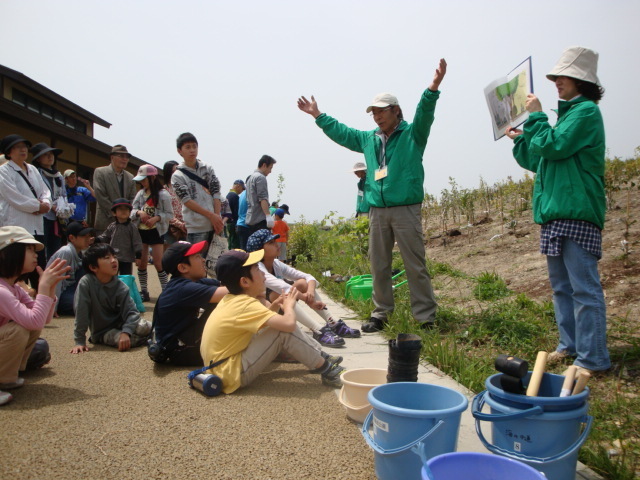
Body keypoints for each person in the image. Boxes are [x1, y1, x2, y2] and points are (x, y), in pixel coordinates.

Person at [297, 58, 447, 332]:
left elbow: (425, 112)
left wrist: (433, 88)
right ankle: (381, 313)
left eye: (381, 111)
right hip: (377, 210)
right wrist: (319, 116)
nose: (377, 116)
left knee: (415, 264)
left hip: (405, 208)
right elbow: (343, 134)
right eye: (373, 112)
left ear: (396, 111)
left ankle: (425, 317)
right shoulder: (369, 139)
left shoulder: (413, 134)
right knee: (378, 264)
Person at [506, 46, 611, 373]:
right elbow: (538, 158)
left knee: (583, 288)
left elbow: (554, 146)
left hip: (576, 211)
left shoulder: (585, 113)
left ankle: (592, 359)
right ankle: (570, 346)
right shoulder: (566, 118)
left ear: (582, 80)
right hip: (556, 213)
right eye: (556, 76)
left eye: (563, 76)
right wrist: (520, 139)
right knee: (563, 288)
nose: (556, 81)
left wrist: (536, 117)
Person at [200, 249, 346, 394]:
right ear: (244, 281)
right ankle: (328, 370)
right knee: (282, 330)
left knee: (276, 325)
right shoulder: (245, 304)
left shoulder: (233, 299)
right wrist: (289, 306)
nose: (263, 273)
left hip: (220, 368)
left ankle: (320, 356)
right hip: (230, 374)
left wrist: (276, 304)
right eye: (257, 269)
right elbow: (288, 325)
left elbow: (267, 322)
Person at [246, 228, 360, 347]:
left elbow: (308, 277)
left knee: (302, 283)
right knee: (284, 294)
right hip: (267, 311)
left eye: (275, 241)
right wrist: (307, 299)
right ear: (259, 250)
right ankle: (318, 329)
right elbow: (281, 286)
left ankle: (333, 322)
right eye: (271, 243)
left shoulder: (276, 264)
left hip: (279, 305)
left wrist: (309, 293)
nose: (277, 244)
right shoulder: (257, 267)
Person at [0, 226, 70, 405]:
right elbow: (35, 321)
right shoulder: (2, 291)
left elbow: (42, 320)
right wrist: (44, 288)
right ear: (8, 253)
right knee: (18, 329)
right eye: (29, 249)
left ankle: (6, 377)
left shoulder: (13, 287)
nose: (36, 254)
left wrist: (50, 287)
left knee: (27, 329)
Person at [151, 241, 228, 366]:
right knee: (225, 302)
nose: (203, 260)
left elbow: (226, 285)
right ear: (183, 268)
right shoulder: (181, 288)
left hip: (186, 338)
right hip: (179, 352)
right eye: (197, 257)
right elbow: (232, 291)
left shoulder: (193, 282)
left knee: (225, 299)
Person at [71, 243, 152, 354]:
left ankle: (153, 335)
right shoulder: (86, 283)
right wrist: (79, 341)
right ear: (93, 267)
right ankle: (151, 339)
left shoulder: (120, 286)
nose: (113, 260)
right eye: (107, 258)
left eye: (114, 256)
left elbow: (132, 313)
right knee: (126, 342)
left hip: (122, 323)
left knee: (145, 327)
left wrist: (126, 331)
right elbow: (81, 312)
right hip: (103, 331)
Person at [0, 134, 51, 290]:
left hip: (36, 224)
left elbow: (44, 191)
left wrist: (46, 204)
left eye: (24, 146)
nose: (23, 150)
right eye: (17, 147)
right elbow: (14, 197)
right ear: (9, 152)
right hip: (18, 225)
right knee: (18, 267)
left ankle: (40, 300)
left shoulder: (33, 169)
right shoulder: (4, 170)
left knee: (38, 263)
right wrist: (37, 206)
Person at [171, 132, 223, 246]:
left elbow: (216, 192)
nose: (192, 150)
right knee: (197, 261)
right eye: (188, 147)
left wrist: (217, 217)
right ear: (179, 151)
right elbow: (187, 201)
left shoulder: (207, 168)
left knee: (217, 261)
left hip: (215, 224)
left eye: (194, 146)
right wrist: (211, 216)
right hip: (196, 228)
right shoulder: (177, 176)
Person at [131, 164, 173, 297]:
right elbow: (132, 210)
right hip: (141, 231)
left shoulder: (163, 194)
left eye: (144, 179)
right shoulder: (140, 193)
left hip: (156, 232)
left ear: (153, 177)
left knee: (158, 262)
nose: (142, 182)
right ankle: (144, 291)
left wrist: (156, 218)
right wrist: (139, 213)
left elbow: (170, 214)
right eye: (141, 180)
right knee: (142, 263)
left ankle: (166, 291)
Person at [46, 221, 93, 316]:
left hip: (71, 289)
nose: (88, 239)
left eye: (89, 236)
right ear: (72, 238)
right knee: (87, 306)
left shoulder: (80, 252)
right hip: (60, 293)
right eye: (84, 236)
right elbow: (57, 281)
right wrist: (53, 307)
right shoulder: (66, 252)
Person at [30, 143, 67, 261]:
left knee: (55, 249)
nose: (50, 157)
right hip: (43, 215)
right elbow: (38, 194)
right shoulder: (35, 173)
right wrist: (51, 206)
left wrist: (64, 208)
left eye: (51, 154)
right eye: (45, 155)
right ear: (38, 159)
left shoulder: (59, 175)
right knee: (41, 248)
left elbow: (63, 195)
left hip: (57, 218)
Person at [93, 145, 137, 233]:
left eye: (127, 157)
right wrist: (117, 214)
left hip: (125, 223)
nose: (125, 159)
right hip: (105, 221)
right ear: (112, 157)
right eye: (121, 156)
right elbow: (101, 196)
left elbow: (133, 199)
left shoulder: (130, 177)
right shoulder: (100, 172)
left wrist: (125, 215)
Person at [96, 198, 142, 278]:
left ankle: (124, 291)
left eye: (126, 209)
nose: (123, 211)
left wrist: (138, 256)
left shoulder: (132, 227)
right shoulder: (112, 226)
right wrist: (96, 240)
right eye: (120, 209)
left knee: (126, 278)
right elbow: (105, 236)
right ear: (114, 213)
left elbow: (137, 242)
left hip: (126, 258)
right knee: (112, 277)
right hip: (113, 258)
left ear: (130, 212)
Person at [245, 155, 277, 233]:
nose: (270, 171)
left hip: (251, 218)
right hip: (260, 220)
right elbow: (263, 198)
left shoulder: (251, 178)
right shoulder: (260, 177)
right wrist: (268, 215)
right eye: (270, 168)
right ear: (264, 165)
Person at [162, 160, 187, 250]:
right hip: (171, 229)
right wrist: (180, 225)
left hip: (186, 227)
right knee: (171, 256)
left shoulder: (184, 188)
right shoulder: (163, 191)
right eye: (173, 171)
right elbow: (165, 212)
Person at [226, 179, 245, 249]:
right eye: (242, 189)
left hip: (229, 222)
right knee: (235, 244)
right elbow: (237, 212)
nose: (242, 191)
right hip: (234, 222)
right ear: (238, 186)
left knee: (231, 242)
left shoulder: (228, 195)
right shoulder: (235, 196)